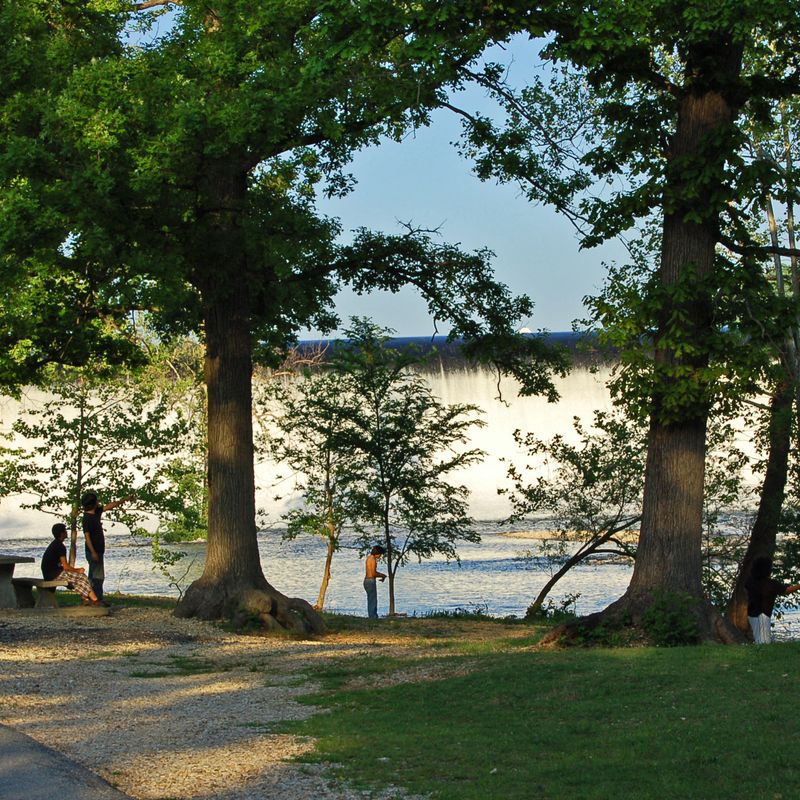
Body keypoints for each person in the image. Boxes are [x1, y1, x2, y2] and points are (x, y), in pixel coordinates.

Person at [82, 490, 132, 605]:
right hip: (93, 551)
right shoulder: (87, 518)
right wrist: (93, 552)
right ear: (92, 503)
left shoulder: (96, 512)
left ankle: (95, 598)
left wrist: (124, 500)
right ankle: (93, 599)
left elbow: (110, 506)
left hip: (99, 550)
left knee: (97, 575)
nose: (99, 502)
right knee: (95, 576)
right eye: (97, 501)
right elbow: (87, 537)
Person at [42, 523, 102, 605]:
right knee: (81, 576)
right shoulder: (60, 546)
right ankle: (95, 600)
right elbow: (66, 567)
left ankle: (86, 600)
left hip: (49, 574)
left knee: (77, 580)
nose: (66, 532)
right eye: (65, 531)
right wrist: (77, 570)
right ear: (62, 533)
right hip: (53, 575)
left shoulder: (54, 544)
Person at [744, 556, 800, 643]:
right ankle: (763, 655)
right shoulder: (770, 584)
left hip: (751, 614)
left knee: (758, 637)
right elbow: (786, 590)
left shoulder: (749, 581)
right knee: (764, 641)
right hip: (762, 614)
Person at [364, 545, 387, 619]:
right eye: (380, 554)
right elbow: (373, 573)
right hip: (370, 581)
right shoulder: (373, 559)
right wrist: (382, 575)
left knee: (370, 599)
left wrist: (381, 575)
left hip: (367, 580)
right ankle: (373, 617)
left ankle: (372, 616)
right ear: (377, 553)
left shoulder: (369, 558)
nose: (380, 556)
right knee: (373, 600)